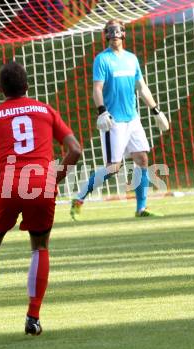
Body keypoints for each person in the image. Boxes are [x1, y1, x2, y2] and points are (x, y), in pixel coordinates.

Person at [0, 62, 81, 335]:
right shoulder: (45, 110)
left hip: (8, 184)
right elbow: (75, 149)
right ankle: (33, 317)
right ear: (27, 86)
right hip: (41, 184)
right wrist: (54, 178)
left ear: (0, 89)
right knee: (39, 247)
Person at [70, 19, 169, 220]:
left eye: (118, 31)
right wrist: (102, 111)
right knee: (113, 167)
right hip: (113, 121)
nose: (115, 34)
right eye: (110, 31)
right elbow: (97, 89)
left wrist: (156, 111)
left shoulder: (132, 59)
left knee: (142, 158)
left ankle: (141, 209)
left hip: (133, 120)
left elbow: (141, 87)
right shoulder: (102, 60)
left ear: (124, 34)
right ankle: (78, 199)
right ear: (106, 35)